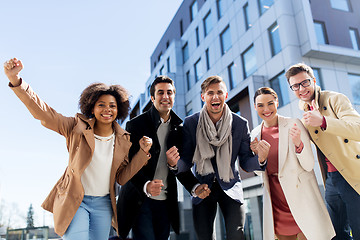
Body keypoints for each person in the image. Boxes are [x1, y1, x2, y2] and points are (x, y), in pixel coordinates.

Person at [3, 58, 152, 240]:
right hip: (76, 201)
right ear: (92, 108)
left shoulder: (123, 140)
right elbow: (44, 113)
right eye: (101, 105)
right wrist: (17, 82)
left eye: (112, 106)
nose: (107, 110)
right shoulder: (76, 127)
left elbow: (121, 177)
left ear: (119, 109)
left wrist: (143, 153)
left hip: (104, 203)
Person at [172, 76, 270, 240]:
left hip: (231, 187)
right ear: (203, 97)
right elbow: (187, 160)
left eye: (219, 92)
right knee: (204, 236)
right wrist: (174, 164)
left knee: (236, 235)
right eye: (210, 93)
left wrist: (261, 159)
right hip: (202, 188)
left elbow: (245, 161)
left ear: (225, 95)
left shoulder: (240, 123)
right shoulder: (191, 123)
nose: (215, 96)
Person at [116, 76, 207, 240]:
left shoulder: (180, 128)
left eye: (169, 92)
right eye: (160, 93)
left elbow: (181, 168)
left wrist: (195, 187)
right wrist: (146, 185)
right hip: (139, 200)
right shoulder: (135, 125)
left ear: (174, 96)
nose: (165, 97)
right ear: (152, 98)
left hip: (165, 202)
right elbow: (129, 166)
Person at [285, 63, 360, 240]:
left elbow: (358, 128)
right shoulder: (303, 110)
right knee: (334, 234)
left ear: (314, 80)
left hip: (351, 174)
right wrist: (298, 143)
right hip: (331, 180)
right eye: (295, 86)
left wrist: (324, 121)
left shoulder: (335, 99)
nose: (301, 89)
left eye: (304, 83)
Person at [250, 87, 335, 240]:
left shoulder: (293, 124)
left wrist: (298, 144)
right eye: (260, 105)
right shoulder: (255, 134)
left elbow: (309, 165)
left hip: (299, 195)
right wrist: (261, 159)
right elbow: (259, 173)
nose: (266, 109)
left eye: (270, 103)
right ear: (255, 107)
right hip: (276, 202)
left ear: (277, 102)